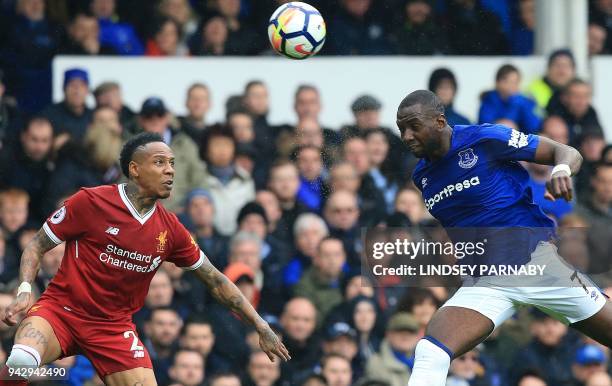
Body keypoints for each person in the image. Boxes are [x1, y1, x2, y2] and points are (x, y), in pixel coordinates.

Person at [0, 132, 289, 386]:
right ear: (135, 169)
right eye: (160, 162)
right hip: (60, 313)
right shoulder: (91, 202)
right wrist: (25, 289)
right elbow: (36, 246)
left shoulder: (171, 229)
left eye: (173, 163)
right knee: (20, 363)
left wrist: (261, 325)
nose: (170, 171)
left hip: (113, 329)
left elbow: (215, 279)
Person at [395, 90, 611, 386]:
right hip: (485, 282)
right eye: (401, 129)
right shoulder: (422, 177)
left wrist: (560, 169)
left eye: (414, 126)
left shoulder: (485, 138)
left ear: (440, 121)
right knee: (430, 351)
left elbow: (566, 152)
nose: (406, 136)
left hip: (537, 265)